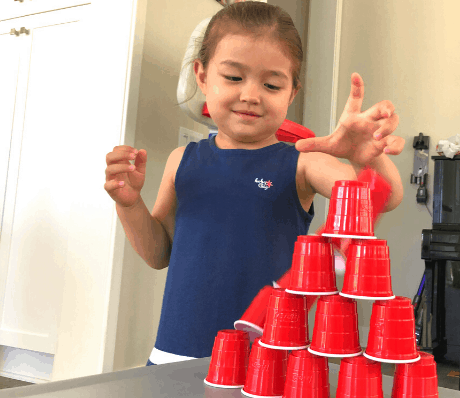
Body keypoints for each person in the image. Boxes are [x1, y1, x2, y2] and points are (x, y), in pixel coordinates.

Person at [104, 2, 405, 366]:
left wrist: (368, 156)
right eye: (233, 77)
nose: (250, 94)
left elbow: (380, 198)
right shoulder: (181, 160)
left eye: (272, 84)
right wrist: (129, 204)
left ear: (291, 93)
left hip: (267, 365)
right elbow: (158, 255)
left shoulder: (302, 163)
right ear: (201, 76)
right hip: (174, 353)